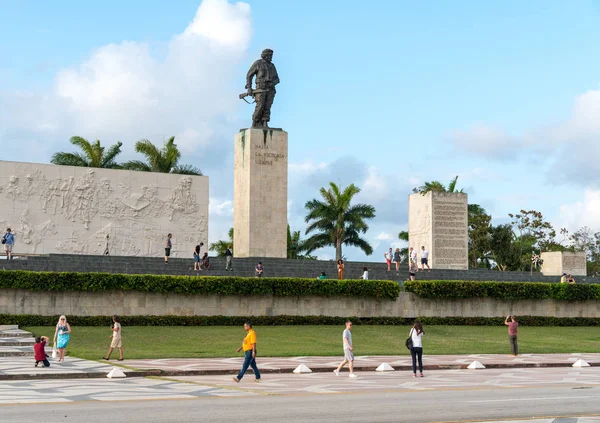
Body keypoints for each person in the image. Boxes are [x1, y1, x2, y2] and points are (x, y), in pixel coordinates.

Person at [245, 49, 280, 128]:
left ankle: (265, 122)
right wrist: (249, 88)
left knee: (267, 107)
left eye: (271, 56)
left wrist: (273, 83)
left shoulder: (272, 66)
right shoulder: (258, 63)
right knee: (260, 106)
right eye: (269, 56)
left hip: (270, 89)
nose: (271, 57)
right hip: (260, 89)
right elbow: (249, 75)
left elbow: (277, 79)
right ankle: (255, 122)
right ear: (265, 55)